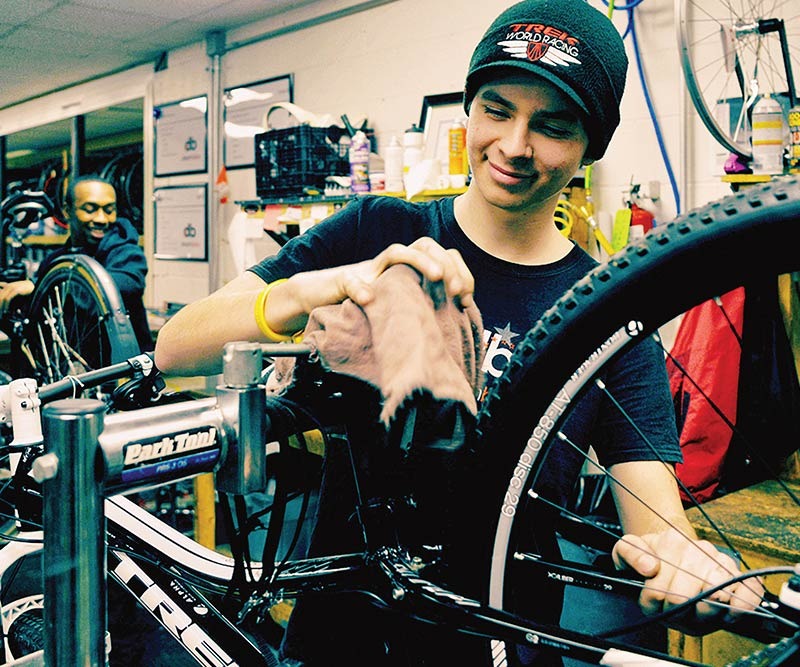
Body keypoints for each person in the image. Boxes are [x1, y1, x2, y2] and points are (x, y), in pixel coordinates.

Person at [155, 0, 761, 664]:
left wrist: (688, 567)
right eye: (497, 110)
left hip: (500, 638)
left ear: (591, 145)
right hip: (340, 633)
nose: (515, 145)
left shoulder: (609, 311)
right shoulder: (378, 231)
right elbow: (177, 347)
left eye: (552, 125)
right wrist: (320, 286)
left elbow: (657, 525)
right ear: (469, 110)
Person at [0, 175, 153, 354]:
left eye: (109, 210)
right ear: (67, 211)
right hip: (74, 366)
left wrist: (39, 287)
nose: (102, 219)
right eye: (90, 209)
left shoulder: (127, 255)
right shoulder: (56, 260)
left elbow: (113, 289)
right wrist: (14, 297)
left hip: (123, 367)